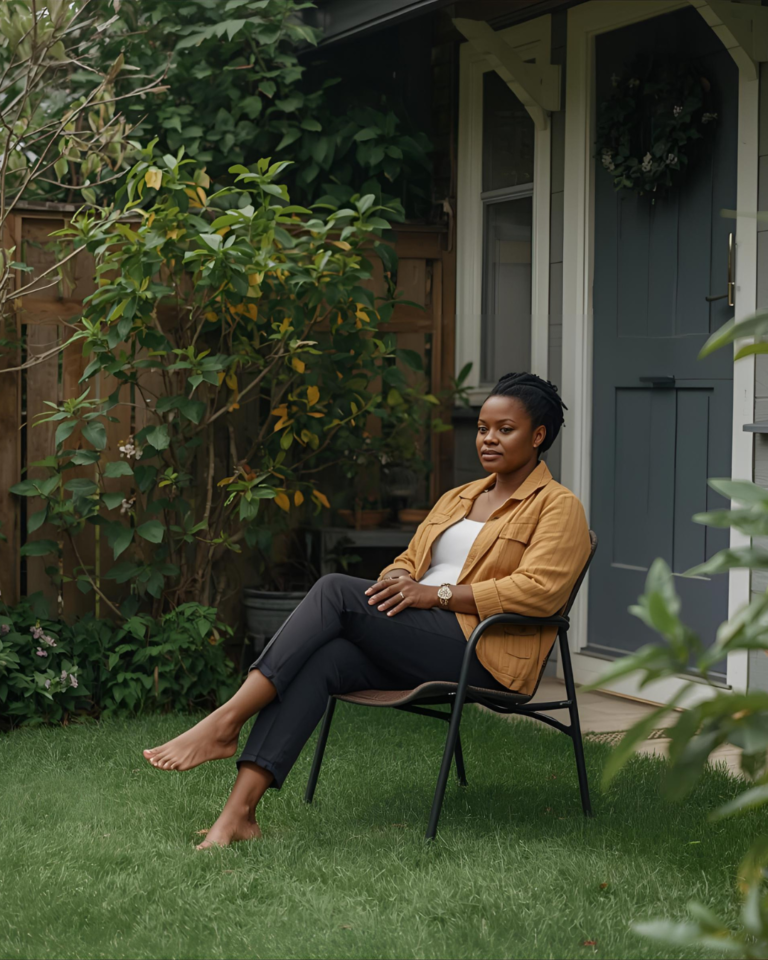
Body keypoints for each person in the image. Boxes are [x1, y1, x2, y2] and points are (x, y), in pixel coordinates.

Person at [143, 372, 591, 849]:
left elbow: (539, 590)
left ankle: (227, 720)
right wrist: (400, 579)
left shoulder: (559, 508)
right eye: (483, 428)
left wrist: (435, 596)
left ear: (538, 436)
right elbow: (409, 562)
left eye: (505, 429)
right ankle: (239, 816)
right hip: (418, 633)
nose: (488, 439)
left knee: (334, 589)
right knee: (325, 660)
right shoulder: (460, 498)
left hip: (483, 649)